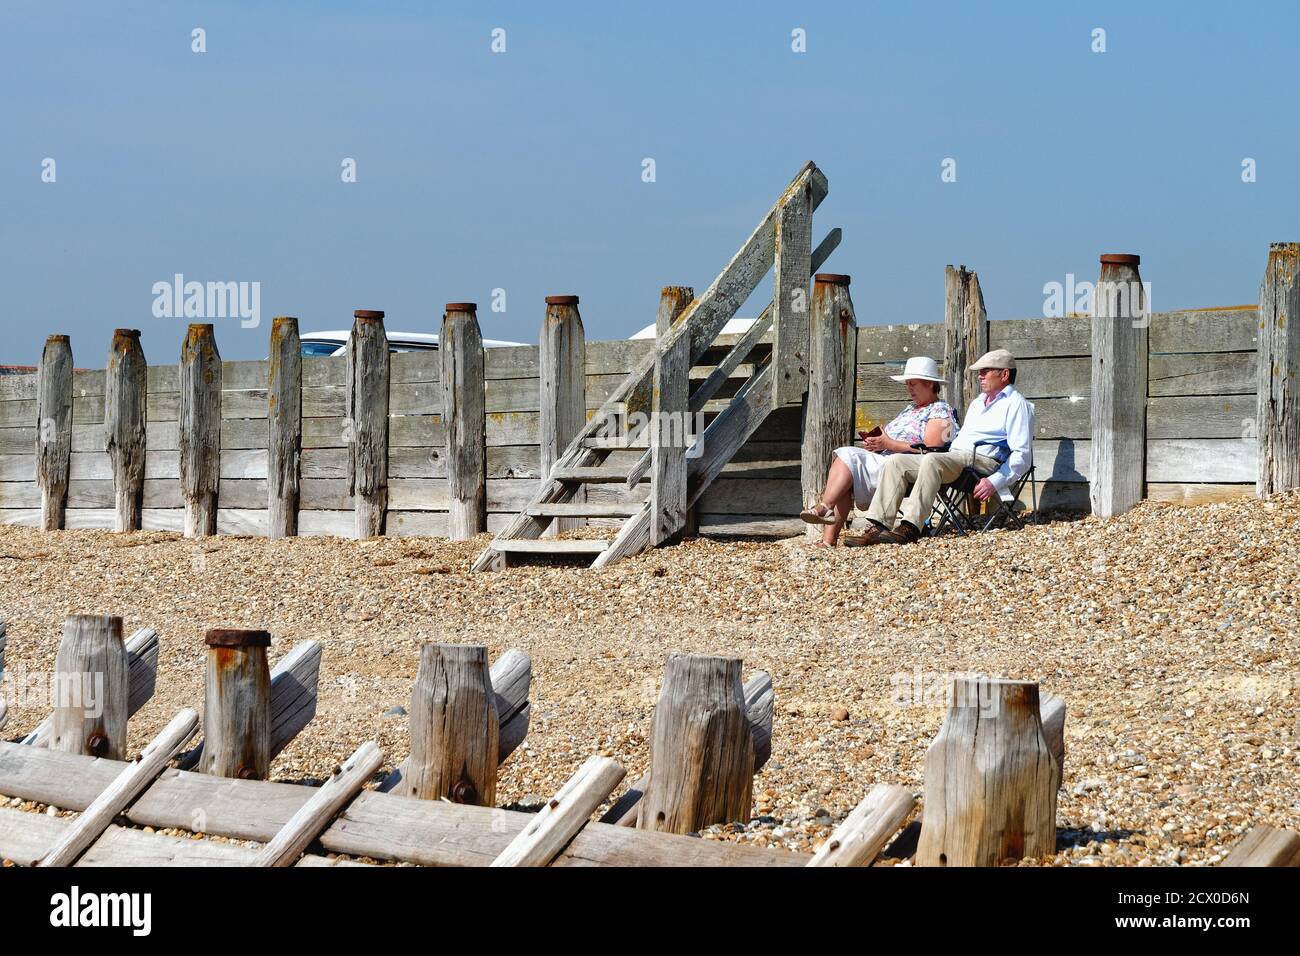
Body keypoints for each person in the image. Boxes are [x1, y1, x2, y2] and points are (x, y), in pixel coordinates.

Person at [845, 348, 1034, 546]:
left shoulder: (1016, 404)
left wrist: (994, 481)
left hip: (982, 462)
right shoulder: (978, 402)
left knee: (932, 459)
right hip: (956, 458)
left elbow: (1022, 455)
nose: (979, 376)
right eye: (980, 371)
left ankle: (910, 526)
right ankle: (878, 526)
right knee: (896, 461)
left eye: (985, 371)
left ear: (1004, 374)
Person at [800, 356, 957, 547]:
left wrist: (888, 444)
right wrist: (877, 442)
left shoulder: (940, 410)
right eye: (907, 384)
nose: (909, 389)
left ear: (930, 384)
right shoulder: (910, 409)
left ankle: (825, 509)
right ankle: (827, 537)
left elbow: (932, 449)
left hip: (905, 466)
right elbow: (889, 442)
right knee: (846, 462)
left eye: (913, 384)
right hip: (885, 459)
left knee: (847, 457)